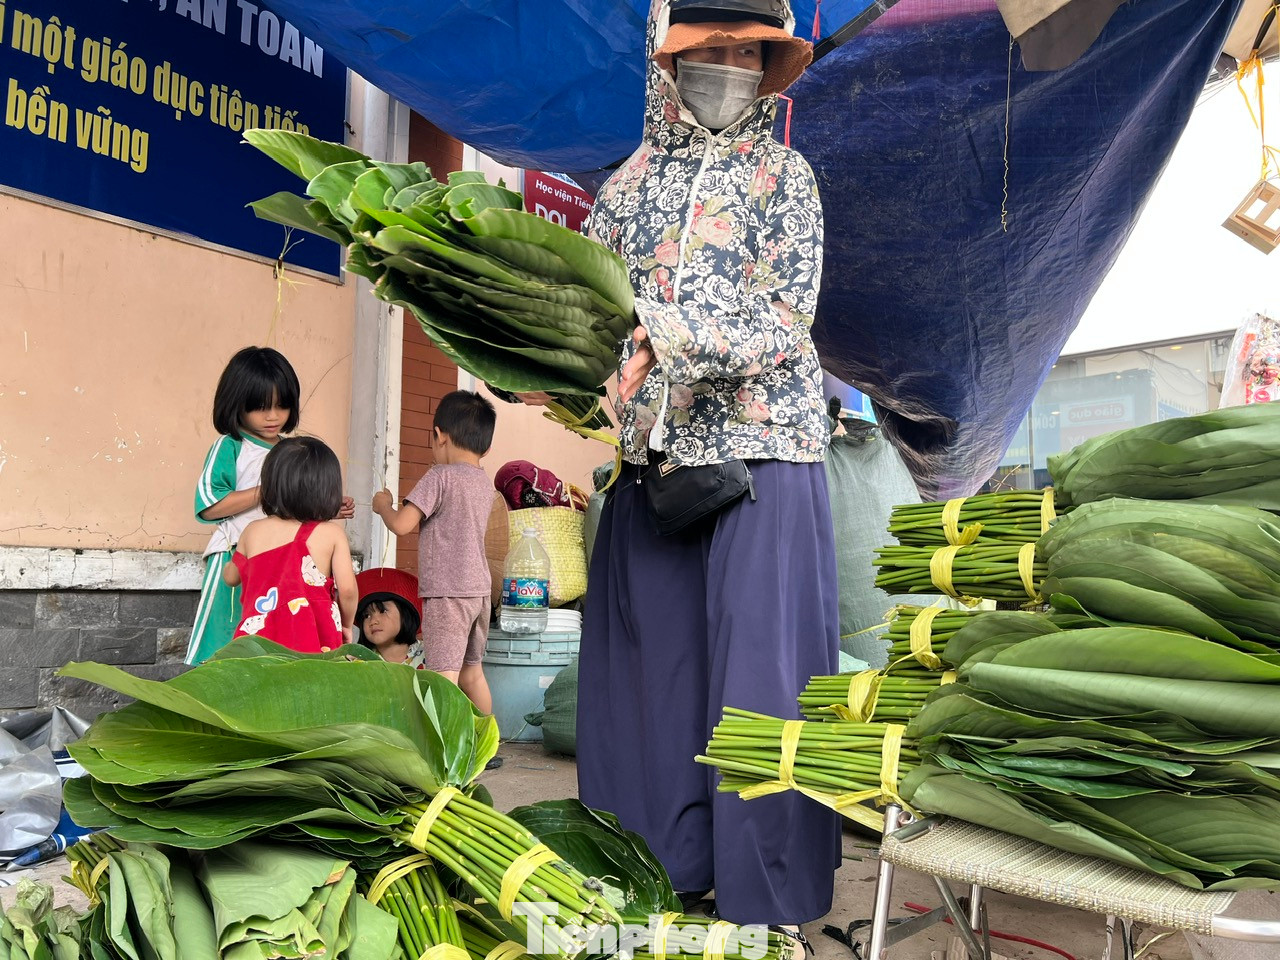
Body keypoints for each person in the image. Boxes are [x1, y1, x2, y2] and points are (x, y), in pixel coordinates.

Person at [514, 0, 838, 945]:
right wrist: (571, 378)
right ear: (670, 66)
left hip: (762, 451)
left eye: (749, 53)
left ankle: (767, 899)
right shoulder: (624, 190)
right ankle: (657, 878)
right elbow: (599, 324)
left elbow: (789, 318)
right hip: (653, 465)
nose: (732, 66)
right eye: (712, 51)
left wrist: (671, 335)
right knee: (649, 680)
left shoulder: (787, 176)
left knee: (759, 682)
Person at [187, 347, 354, 665]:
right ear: (237, 403)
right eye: (261, 407)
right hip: (236, 557)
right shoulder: (231, 446)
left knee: (274, 644)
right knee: (222, 642)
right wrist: (268, 491)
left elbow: (293, 511)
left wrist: (326, 507)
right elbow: (209, 505)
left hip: (287, 562)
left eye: (282, 406)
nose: (273, 416)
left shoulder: (291, 450)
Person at [372, 390, 501, 713]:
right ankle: (489, 743)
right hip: (478, 593)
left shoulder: (439, 477)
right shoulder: (484, 483)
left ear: (439, 436)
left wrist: (383, 507)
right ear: (485, 445)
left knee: (443, 676)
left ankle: (446, 751)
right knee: (472, 673)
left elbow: (402, 525)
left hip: (447, 593)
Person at [222, 436, 358, 651]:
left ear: (270, 484)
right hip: (313, 639)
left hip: (257, 644)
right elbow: (348, 590)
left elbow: (230, 578)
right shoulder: (331, 534)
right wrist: (347, 624)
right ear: (328, 489)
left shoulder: (252, 531)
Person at [354, 567, 427, 667]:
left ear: (405, 615)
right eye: (367, 616)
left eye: (383, 611)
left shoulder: (432, 655)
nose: (373, 621)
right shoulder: (357, 662)